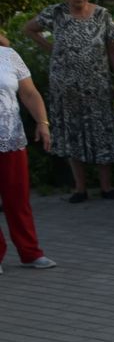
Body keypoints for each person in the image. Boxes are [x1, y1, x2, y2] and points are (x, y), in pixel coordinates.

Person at [25, 0, 114, 203]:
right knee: (72, 133)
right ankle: (80, 189)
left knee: (101, 131)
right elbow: (29, 28)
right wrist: (51, 48)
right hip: (65, 85)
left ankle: (106, 187)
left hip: (97, 83)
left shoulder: (102, 15)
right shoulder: (56, 13)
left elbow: (112, 47)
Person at [0, 33, 56, 274]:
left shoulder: (9, 56)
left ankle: (30, 253)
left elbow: (29, 93)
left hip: (11, 139)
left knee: (18, 199)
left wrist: (42, 123)